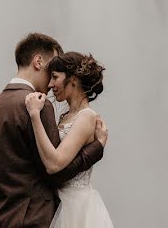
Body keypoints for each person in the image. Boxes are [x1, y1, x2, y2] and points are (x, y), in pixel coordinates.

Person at [0, 33, 109, 228]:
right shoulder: (39, 106)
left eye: (55, 76)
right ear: (38, 61)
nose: (50, 83)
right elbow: (55, 173)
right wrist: (96, 149)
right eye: (52, 71)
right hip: (33, 217)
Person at [25, 52, 114, 227]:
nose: (50, 84)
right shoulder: (66, 116)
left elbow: (55, 163)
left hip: (76, 205)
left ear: (73, 79)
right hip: (60, 200)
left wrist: (34, 115)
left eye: (55, 77)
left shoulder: (87, 116)